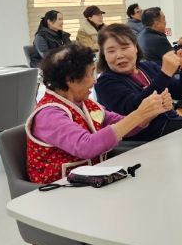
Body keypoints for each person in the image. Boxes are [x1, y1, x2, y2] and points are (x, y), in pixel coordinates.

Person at [26, 44, 169, 184]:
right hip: (56, 189)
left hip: (88, 181)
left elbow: (124, 126)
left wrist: (151, 112)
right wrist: (138, 114)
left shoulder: (85, 104)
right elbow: (86, 146)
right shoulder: (49, 115)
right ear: (70, 80)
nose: (94, 80)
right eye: (90, 73)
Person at [94, 24, 182, 141]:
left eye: (124, 48)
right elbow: (133, 109)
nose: (119, 55)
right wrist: (165, 74)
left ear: (135, 47)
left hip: (174, 127)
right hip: (147, 140)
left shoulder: (147, 66)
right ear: (104, 55)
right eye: (111, 51)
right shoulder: (104, 83)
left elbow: (180, 93)